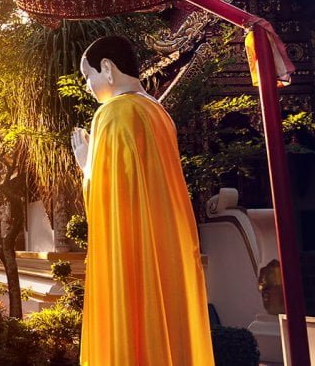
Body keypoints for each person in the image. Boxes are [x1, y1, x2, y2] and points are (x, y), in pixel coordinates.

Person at [71, 36, 214, 365]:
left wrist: (87, 166)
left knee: (131, 319)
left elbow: (108, 198)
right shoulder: (159, 114)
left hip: (131, 246)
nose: (88, 86)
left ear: (107, 68)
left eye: (87, 76)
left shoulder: (113, 113)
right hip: (167, 245)